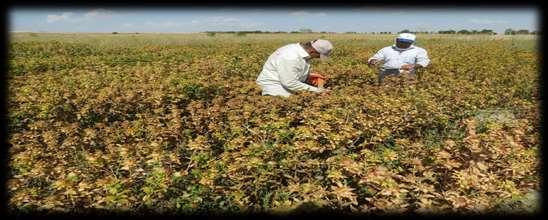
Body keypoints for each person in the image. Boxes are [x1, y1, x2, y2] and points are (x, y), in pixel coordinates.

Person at [256, 39, 333, 97]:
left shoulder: (299, 51)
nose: (318, 58)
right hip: (274, 91)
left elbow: (290, 71)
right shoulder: (290, 57)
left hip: (284, 87)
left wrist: (308, 76)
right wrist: (318, 90)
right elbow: (290, 83)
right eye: (318, 56)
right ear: (313, 51)